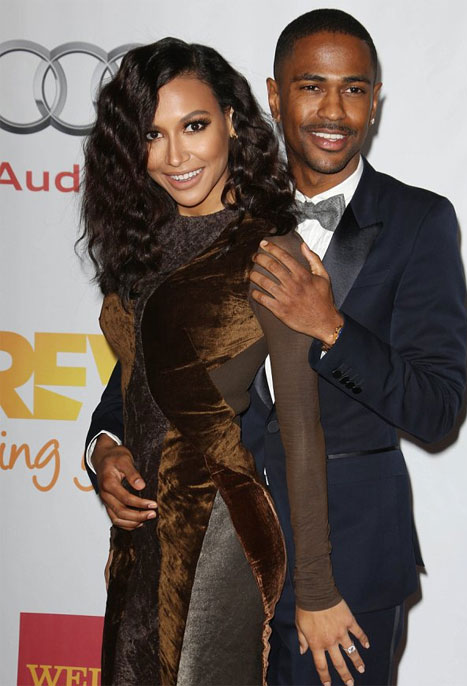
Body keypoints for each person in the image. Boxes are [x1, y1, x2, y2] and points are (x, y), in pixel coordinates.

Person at [86, 10, 467, 686]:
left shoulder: (418, 222)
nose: (333, 110)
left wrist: (332, 328)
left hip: (344, 567)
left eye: (354, 89)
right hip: (211, 551)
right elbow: (150, 366)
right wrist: (106, 442)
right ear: (272, 95)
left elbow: (437, 408)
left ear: (375, 100)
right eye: (311, 86)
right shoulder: (206, 207)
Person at [81, 35, 365, 686]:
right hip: (140, 536)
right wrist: (105, 451)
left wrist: (317, 590)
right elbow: (135, 383)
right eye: (153, 135)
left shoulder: (270, 252)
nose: (176, 156)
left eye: (194, 126)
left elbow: (300, 429)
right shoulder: (140, 245)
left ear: (232, 123)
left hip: (218, 529)